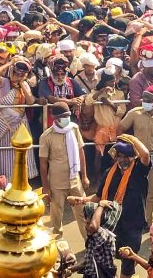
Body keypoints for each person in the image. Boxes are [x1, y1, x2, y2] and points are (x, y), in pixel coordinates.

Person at [67, 134, 150, 278]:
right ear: (115, 156)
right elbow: (98, 197)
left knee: (128, 261)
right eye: (120, 156)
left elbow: (146, 154)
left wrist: (131, 138)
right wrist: (81, 199)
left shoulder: (138, 170)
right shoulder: (109, 173)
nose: (123, 159)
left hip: (133, 226)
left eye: (126, 156)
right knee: (107, 259)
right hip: (112, 225)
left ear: (132, 157)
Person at [117, 85, 153, 227]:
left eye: (149, 100)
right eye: (145, 99)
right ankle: (135, 218)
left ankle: (149, 221)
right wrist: (123, 149)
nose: (146, 102)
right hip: (137, 159)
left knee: (151, 192)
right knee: (134, 189)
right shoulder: (135, 113)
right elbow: (120, 128)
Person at [39, 102, 89, 238]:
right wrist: (45, 187)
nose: (67, 119)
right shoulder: (46, 136)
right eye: (63, 117)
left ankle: (89, 245)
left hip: (75, 180)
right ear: (55, 119)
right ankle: (57, 249)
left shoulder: (74, 129)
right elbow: (43, 164)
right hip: (56, 183)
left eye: (68, 116)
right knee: (56, 218)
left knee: (84, 214)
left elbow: (81, 152)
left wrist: (84, 176)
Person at [0, 57, 38, 179]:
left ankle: (23, 179)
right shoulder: (4, 82)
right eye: (16, 72)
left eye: (22, 73)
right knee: (6, 150)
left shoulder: (24, 84)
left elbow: (31, 101)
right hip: (5, 123)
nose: (18, 75)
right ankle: (6, 179)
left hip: (21, 123)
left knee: (22, 149)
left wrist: (22, 82)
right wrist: (10, 63)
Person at [77, 200, 122, 278]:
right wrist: (72, 268)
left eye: (89, 223)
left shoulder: (106, 236)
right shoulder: (92, 238)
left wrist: (101, 205)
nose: (86, 227)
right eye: (86, 223)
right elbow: (90, 261)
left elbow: (93, 227)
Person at [38, 54, 86, 127]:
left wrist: (79, 101)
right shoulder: (44, 82)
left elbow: (83, 94)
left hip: (70, 117)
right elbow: (51, 99)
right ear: (51, 72)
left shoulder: (71, 81)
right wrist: (70, 102)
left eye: (62, 74)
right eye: (57, 74)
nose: (60, 77)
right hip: (52, 117)